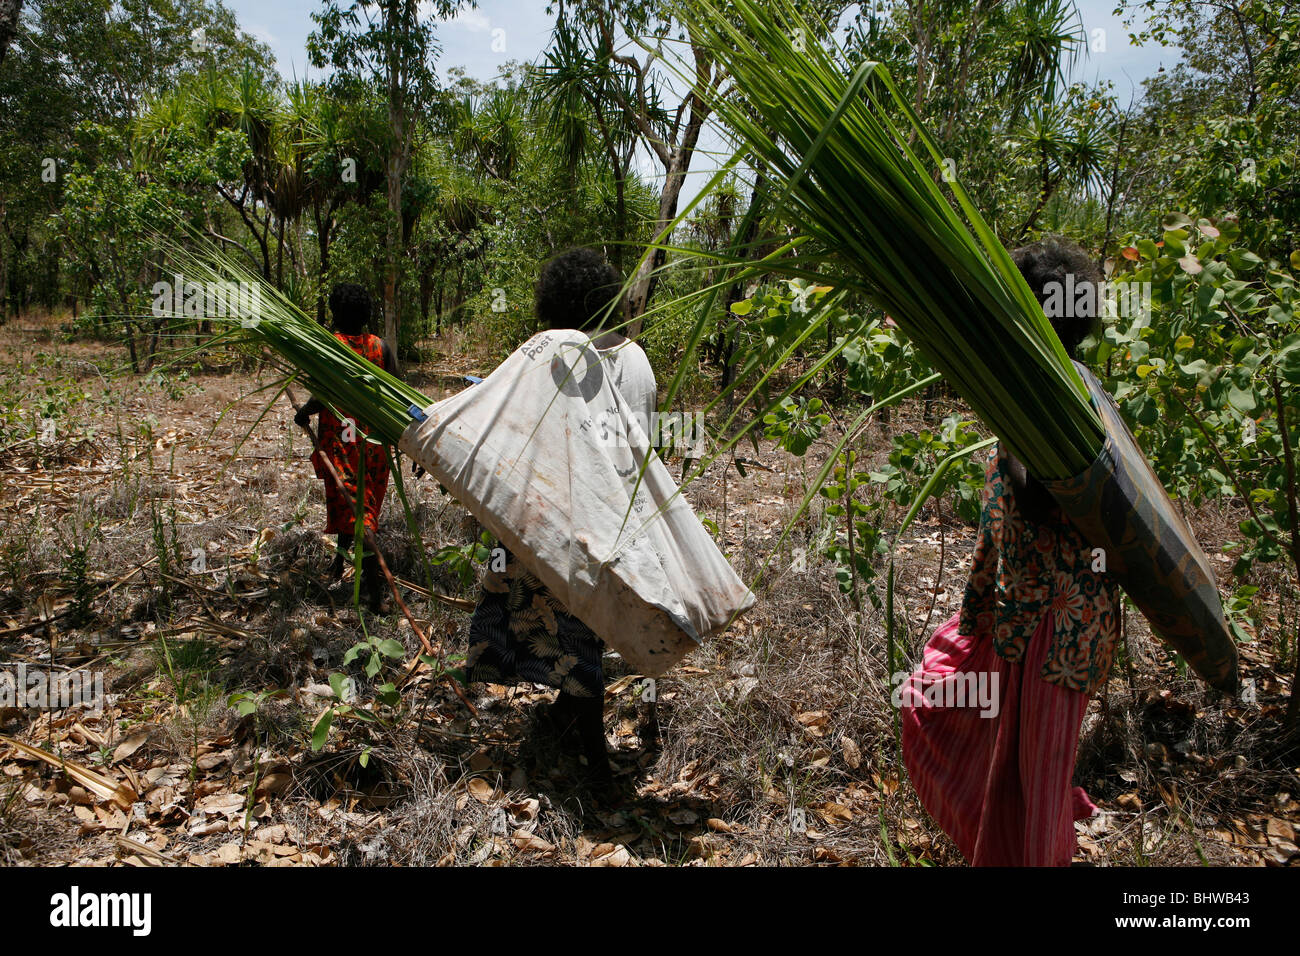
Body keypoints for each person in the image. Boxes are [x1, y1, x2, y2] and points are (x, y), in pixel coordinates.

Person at [899, 237, 1121, 866]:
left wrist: (1014, 418)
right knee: (953, 716)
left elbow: (1037, 495)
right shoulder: (1065, 388)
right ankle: (1010, 844)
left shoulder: (1052, 400)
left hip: (1056, 632)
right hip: (1025, 620)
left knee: (1036, 778)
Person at [462, 248, 657, 789]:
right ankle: (573, 720)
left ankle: (595, 766)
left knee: (573, 637)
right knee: (586, 631)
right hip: (622, 518)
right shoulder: (637, 359)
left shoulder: (551, 355)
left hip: (562, 521)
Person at [294, 283, 397, 614]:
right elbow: (398, 389)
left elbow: (322, 394)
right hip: (373, 445)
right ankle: (340, 563)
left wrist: (304, 412)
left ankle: (376, 595)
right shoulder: (380, 346)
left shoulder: (330, 347)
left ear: (336, 313)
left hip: (343, 442)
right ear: (367, 314)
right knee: (356, 504)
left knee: (357, 513)